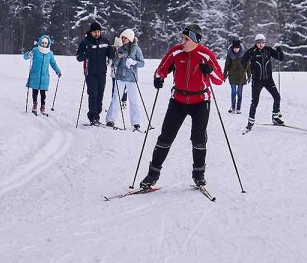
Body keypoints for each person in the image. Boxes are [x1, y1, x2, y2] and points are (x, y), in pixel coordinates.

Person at [139, 23, 225, 188]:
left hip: (200, 101)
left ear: (195, 40)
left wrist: (210, 71)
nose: (182, 42)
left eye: (186, 39)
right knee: (165, 137)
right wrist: (158, 77)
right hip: (178, 100)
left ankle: (199, 175)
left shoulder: (206, 55)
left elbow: (220, 79)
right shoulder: (176, 51)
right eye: (182, 38)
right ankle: (152, 174)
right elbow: (161, 68)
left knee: (198, 139)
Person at [76, 21, 115, 126]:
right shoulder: (85, 42)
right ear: (91, 32)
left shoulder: (105, 41)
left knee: (100, 96)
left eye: (98, 31)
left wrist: (112, 53)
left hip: (102, 72)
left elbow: (111, 53)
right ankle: (92, 118)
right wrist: (86, 54)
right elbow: (78, 57)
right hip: (90, 73)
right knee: (93, 94)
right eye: (95, 32)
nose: (97, 33)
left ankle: (97, 117)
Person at [242, 33, 284, 131]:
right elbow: (243, 61)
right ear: (256, 43)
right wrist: (248, 58)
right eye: (259, 43)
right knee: (255, 101)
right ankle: (250, 122)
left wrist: (279, 50)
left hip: (268, 80)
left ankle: (275, 117)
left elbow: (280, 57)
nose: (261, 44)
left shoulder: (268, 50)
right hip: (257, 81)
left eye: (263, 42)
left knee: (277, 97)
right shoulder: (252, 51)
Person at [105, 29, 146, 130]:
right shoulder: (121, 49)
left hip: (132, 78)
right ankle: (110, 119)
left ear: (130, 38)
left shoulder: (136, 49)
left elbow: (142, 63)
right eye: (122, 37)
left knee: (133, 100)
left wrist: (133, 62)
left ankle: (136, 122)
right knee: (116, 98)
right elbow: (114, 64)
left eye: (125, 38)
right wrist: (118, 58)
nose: (123, 39)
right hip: (120, 77)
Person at [23, 34, 62, 115]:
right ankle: (34, 105)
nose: (44, 44)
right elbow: (25, 57)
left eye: (45, 43)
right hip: (35, 74)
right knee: (35, 91)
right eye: (43, 42)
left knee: (43, 93)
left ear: (48, 43)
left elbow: (53, 63)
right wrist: (28, 54)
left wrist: (58, 71)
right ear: (40, 42)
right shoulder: (35, 50)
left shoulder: (50, 53)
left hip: (44, 76)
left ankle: (42, 107)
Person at [224, 37, 248, 114]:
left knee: (239, 93)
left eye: (237, 48)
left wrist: (249, 74)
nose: (236, 49)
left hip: (241, 75)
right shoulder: (230, 54)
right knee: (234, 92)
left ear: (239, 47)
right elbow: (227, 65)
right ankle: (233, 107)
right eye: (234, 48)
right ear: (232, 47)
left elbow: (247, 65)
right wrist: (224, 75)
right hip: (232, 75)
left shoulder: (243, 54)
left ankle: (238, 108)